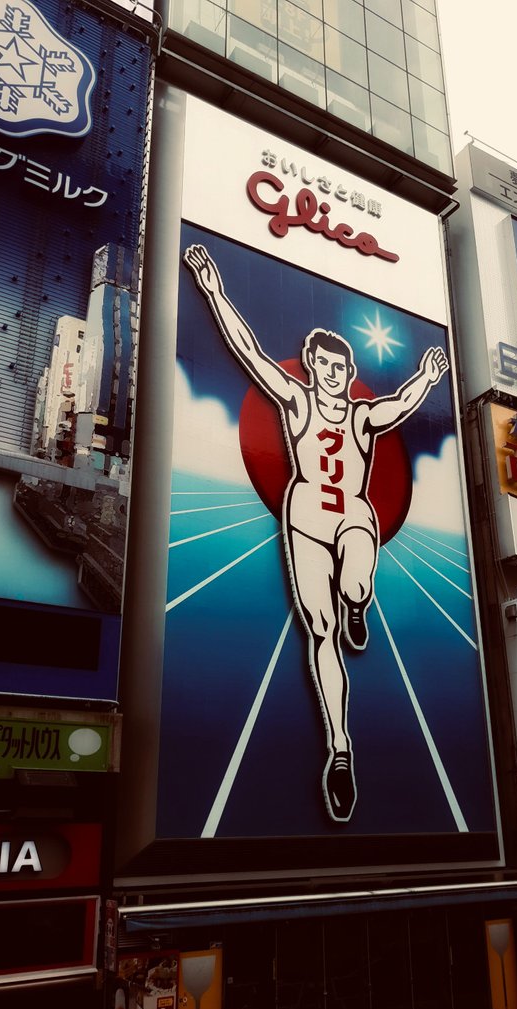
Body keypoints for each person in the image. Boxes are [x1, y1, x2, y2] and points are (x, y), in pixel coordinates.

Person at [184, 243, 448, 822]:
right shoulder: (297, 403)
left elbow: (400, 404)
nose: (331, 374)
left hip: (352, 514)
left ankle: (360, 600)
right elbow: (249, 351)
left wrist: (427, 379)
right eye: (322, 365)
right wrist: (214, 292)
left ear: (349, 374)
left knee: (354, 578)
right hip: (304, 517)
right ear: (313, 366)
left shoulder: (360, 416)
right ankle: (339, 748)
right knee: (319, 634)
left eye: (339, 368)